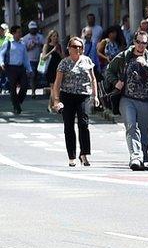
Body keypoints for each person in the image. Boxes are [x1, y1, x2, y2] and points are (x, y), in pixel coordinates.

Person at [105, 31, 148, 171]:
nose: (141, 45)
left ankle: (141, 158)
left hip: (146, 100)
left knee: (145, 131)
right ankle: (135, 157)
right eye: (138, 42)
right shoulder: (124, 56)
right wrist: (116, 82)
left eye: (144, 43)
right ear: (134, 42)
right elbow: (109, 71)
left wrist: (146, 66)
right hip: (127, 99)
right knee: (131, 127)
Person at [51, 36, 98, 167]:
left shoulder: (87, 60)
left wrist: (95, 96)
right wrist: (56, 100)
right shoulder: (64, 63)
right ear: (69, 48)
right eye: (74, 47)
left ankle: (84, 154)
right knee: (69, 126)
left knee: (84, 124)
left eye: (80, 47)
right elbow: (57, 83)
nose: (77, 49)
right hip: (67, 96)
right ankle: (71, 156)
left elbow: (93, 79)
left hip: (83, 95)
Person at [0, 26, 32, 114]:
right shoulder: (8, 43)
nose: (20, 34)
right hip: (10, 68)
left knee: (25, 86)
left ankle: (17, 102)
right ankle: (16, 107)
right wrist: (2, 63)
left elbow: (25, 58)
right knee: (12, 88)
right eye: (18, 32)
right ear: (13, 33)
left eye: (20, 32)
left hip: (21, 68)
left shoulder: (22, 44)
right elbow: (1, 54)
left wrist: (29, 69)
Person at [40, 30, 64, 97]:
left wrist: (58, 52)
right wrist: (52, 51)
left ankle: (50, 106)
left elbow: (63, 58)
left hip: (58, 68)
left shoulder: (58, 46)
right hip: (50, 68)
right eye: (54, 36)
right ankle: (53, 105)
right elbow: (43, 58)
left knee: (57, 88)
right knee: (53, 87)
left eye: (56, 36)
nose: (55, 38)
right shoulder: (46, 46)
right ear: (50, 37)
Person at [24, 21, 44, 98]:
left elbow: (44, 45)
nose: (33, 30)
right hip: (30, 60)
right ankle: (33, 92)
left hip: (40, 60)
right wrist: (30, 47)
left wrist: (38, 44)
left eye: (34, 29)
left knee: (37, 76)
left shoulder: (40, 37)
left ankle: (35, 89)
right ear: (29, 29)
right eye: (32, 29)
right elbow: (23, 49)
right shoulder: (25, 38)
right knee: (32, 75)